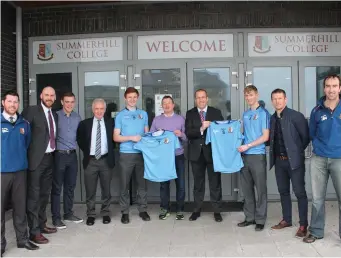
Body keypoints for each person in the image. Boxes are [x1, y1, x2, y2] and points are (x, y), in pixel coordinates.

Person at [304, 74, 341, 243]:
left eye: (335, 86)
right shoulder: (316, 110)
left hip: (339, 159)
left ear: (339, 88)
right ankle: (316, 231)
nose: (331, 89)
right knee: (317, 198)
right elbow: (312, 134)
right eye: (328, 86)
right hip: (319, 159)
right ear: (324, 88)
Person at [1, 91, 39, 256]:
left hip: (20, 172)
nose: (13, 105)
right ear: (3, 102)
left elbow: (27, 143)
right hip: (1, 173)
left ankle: (22, 239)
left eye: (15, 102)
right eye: (9, 101)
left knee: (20, 207)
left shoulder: (24, 124)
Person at [269, 88, 310, 238]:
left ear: (285, 100)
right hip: (279, 162)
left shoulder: (296, 116)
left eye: (280, 98)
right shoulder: (272, 118)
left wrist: (295, 153)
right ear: (272, 101)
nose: (277, 101)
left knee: (300, 193)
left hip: (295, 162)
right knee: (283, 192)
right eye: (274, 99)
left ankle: (303, 225)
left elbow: (305, 138)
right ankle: (286, 220)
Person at [22, 86, 58, 244]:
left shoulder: (54, 115)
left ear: (55, 98)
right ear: (41, 96)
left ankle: (42, 224)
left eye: (52, 95)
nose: (49, 97)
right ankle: (34, 231)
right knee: (34, 197)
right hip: (36, 160)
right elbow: (22, 134)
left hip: (50, 159)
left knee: (44, 195)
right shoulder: (31, 111)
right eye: (46, 95)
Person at [185, 89, 223, 222]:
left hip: (213, 153)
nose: (201, 100)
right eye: (198, 98)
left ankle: (217, 211)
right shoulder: (190, 113)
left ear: (207, 99)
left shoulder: (215, 112)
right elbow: (188, 133)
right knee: (198, 184)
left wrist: (212, 125)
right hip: (196, 154)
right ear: (195, 100)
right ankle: (196, 210)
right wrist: (201, 128)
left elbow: (222, 130)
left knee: (215, 183)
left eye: (203, 97)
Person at [114, 87, 150, 224]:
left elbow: (146, 134)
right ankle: (125, 212)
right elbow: (116, 137)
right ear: (125, 98)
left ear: (138, 97)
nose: (132, 99)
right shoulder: (120, 116)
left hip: (141, 154)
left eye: (135, 97)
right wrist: (131, 138)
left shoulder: (143, 114)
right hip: (126, 154)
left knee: (142, 184)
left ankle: (143, 210)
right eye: (129, 97)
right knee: (124, 184)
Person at [77, 98, 115, 226]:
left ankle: (105, 213)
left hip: (105, 160)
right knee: (90, 190)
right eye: (97, 109)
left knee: (106, 190)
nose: (99, 111)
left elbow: (114, 141)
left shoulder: (111, 123)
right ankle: (91, 214)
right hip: (91, 161)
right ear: (93, 110)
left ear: (105, 110)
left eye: (102, 109)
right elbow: (80, 140)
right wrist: (89, 153)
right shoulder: (84, 124)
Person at [237, 85, 270, 231]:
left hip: (257, 155)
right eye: (246, 95)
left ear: (256, 94)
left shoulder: (263, 113)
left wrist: (248, 145)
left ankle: (260, 219)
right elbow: (244, 134)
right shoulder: (245, 114)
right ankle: (249, 217)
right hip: (245, 156)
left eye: (251, 95)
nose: (249, 98)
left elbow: (265, 136)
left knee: (261, 189)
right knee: (247, 189)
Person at [150, 95, 187, 220]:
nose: (166, 105)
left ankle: (180, 209)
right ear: (161, 106)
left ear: (173, 105)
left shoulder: (181, 119)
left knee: (180, 184)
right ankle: (164, 208)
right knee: (164, 184)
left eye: (169, 103)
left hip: (178, 156)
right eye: (164, 103)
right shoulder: (156, 120)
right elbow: (151, 137)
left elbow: (187, 138)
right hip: (163, 157)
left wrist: (181, 134)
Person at [51, 92, 82, 229]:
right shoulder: (55, 116)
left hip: (72, 156)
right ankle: (56, 218)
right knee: (57, 188)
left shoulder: (77, 117)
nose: (69, 104)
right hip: (59, 155)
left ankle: (68, 213)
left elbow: (81, 136)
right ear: (62, 102)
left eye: (72, 102)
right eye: (67, 102)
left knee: (70, 187)